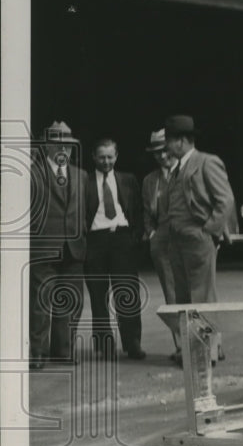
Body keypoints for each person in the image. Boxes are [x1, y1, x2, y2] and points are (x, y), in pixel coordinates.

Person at [162, 115, 235, 363]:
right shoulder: (177, 167)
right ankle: (196, 351)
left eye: (169, 140)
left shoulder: (206, 162)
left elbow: (225, 201)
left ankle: (209, 352)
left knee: (202, 298)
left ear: (181, 141)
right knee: (185, 300)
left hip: (198, 239)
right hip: (178, 242)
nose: (166, 146)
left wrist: (208, 231)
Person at [29, 121, 88, 369]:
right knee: (41, 301)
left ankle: (63, 350)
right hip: (43, 248)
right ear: (49, 146)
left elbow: (86, 209)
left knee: (70, 300)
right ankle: (38, 352)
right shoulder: (33, 173)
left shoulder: (80, 175)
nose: (65, 148)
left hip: (74, 248)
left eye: (69, 145)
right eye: (59, 144)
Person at [84, 138, 145, 359]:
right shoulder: (85, 181)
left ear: (116, 156)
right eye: (102, 157)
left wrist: (135, 236)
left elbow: (138, 210)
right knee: (98, 295)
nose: (106, 161)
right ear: (94, 157)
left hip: (122, 238)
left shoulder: (128, 180)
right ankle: (104, 345)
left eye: (110, 157)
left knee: (128, 294)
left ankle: (133, 343)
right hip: (95, 240)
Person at [141, 128, 181, 361]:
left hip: (187, 241)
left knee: (198, 294)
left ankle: (211, 346)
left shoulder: (187, 171)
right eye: (156, 153)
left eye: (164, 150)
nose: (162, 156)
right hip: (163, 244)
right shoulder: (150, 181)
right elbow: (147, 213)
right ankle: (181, 347)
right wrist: (152, 233)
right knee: (172, 296)